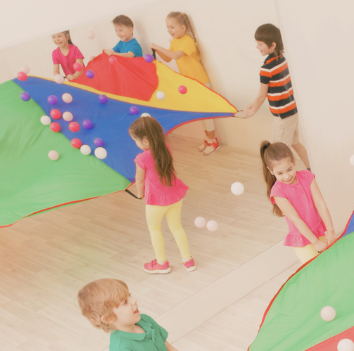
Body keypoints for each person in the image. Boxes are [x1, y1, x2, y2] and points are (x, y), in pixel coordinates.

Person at [78, 278, 213, 351]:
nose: (133, 300)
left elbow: (169, 350)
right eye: (125, 302)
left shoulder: (145, 321)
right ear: (108, 318)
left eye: (129, 296)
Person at [235, 24, 312, 170]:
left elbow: (262, 95)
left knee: (280, 154)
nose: (257, 47)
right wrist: (253, 104)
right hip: (292, 111)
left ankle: (287, 180)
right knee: (295, 143)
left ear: (272, 45)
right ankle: (312, 168)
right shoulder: (282, 60)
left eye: (260, 44)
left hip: (282, 116)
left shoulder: (266, 69)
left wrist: (252, 111)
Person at [128, 116, 194, 274]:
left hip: (156, 201)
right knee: (177, 227)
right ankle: (188, 260)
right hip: (174, 195)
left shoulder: (141, 158)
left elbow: (139, 179)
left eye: (135, 140)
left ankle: (161, 263)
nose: (135, 144)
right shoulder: (166, 147)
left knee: (155, 229)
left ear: (145, 141)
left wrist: (139, 194)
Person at [151, 12, 219, 154]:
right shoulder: (175, 41)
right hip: (190, 84)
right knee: (199, 114)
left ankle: (213, 142)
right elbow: (168, 58)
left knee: (206, 114)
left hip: (200, 82)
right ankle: (208, 140)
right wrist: (157, 49)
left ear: (182, 28)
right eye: (167, 27)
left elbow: (176, 55)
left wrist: (158, 46)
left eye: (172, 27)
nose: (169, 30)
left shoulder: (187, 40)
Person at [261, 141, 335, 265]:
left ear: (294, 163)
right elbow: (296, 220)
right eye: (280, 173)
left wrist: (331, 230)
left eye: (289, 169)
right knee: (315, 269)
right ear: (271, 171)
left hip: (319, 231)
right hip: (303, 239)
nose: (286, 176)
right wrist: (315, 242)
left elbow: (320, 204)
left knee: (331, 262)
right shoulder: (278, 191)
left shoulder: (307, 177)